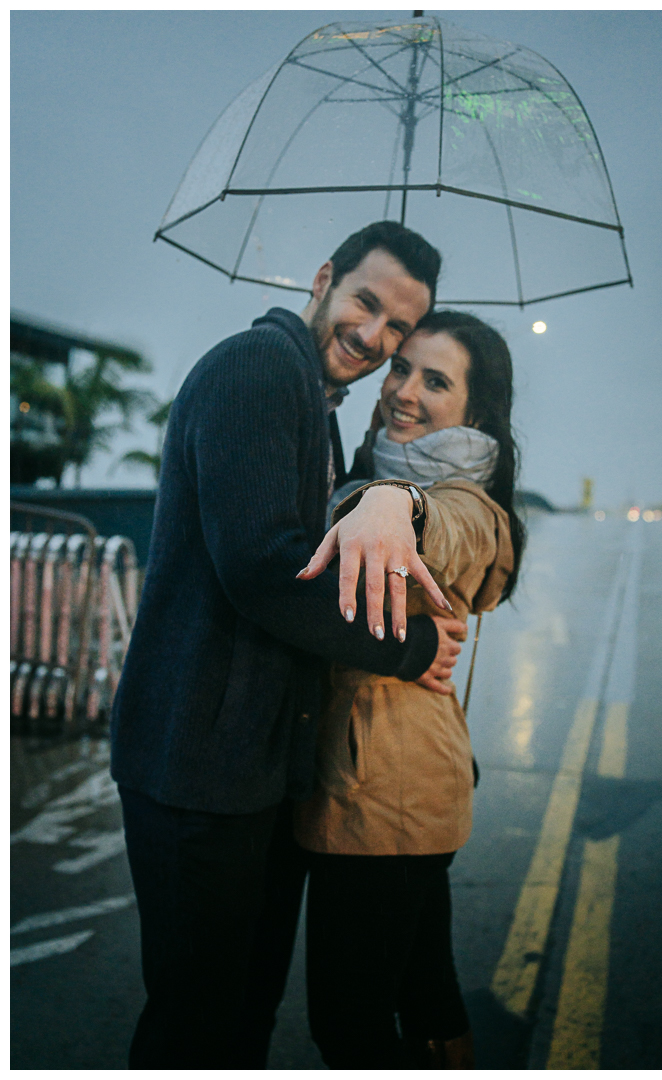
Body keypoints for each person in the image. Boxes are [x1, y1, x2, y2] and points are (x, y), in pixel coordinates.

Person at [110, 221, 468, 1069]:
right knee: (196, 1024)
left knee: (241, 1014)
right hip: (197, 769)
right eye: (365, 302)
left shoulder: (314, 400)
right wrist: (412, 651)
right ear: (322, 280)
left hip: (251, 775)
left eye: (395, 328)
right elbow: (267, 570)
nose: (373, 337)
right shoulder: (259, 368)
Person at [295, 310, 526, 1069]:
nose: (404, 391)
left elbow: (440, 525)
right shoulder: (370, 467)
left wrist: (394, 501)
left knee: (349, 1027)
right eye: (402, 369)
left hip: (381, 799)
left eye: (436, 381)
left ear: (476, 412)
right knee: (428, 996)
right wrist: (376, 488)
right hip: (407, 794)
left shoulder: (469, 504)